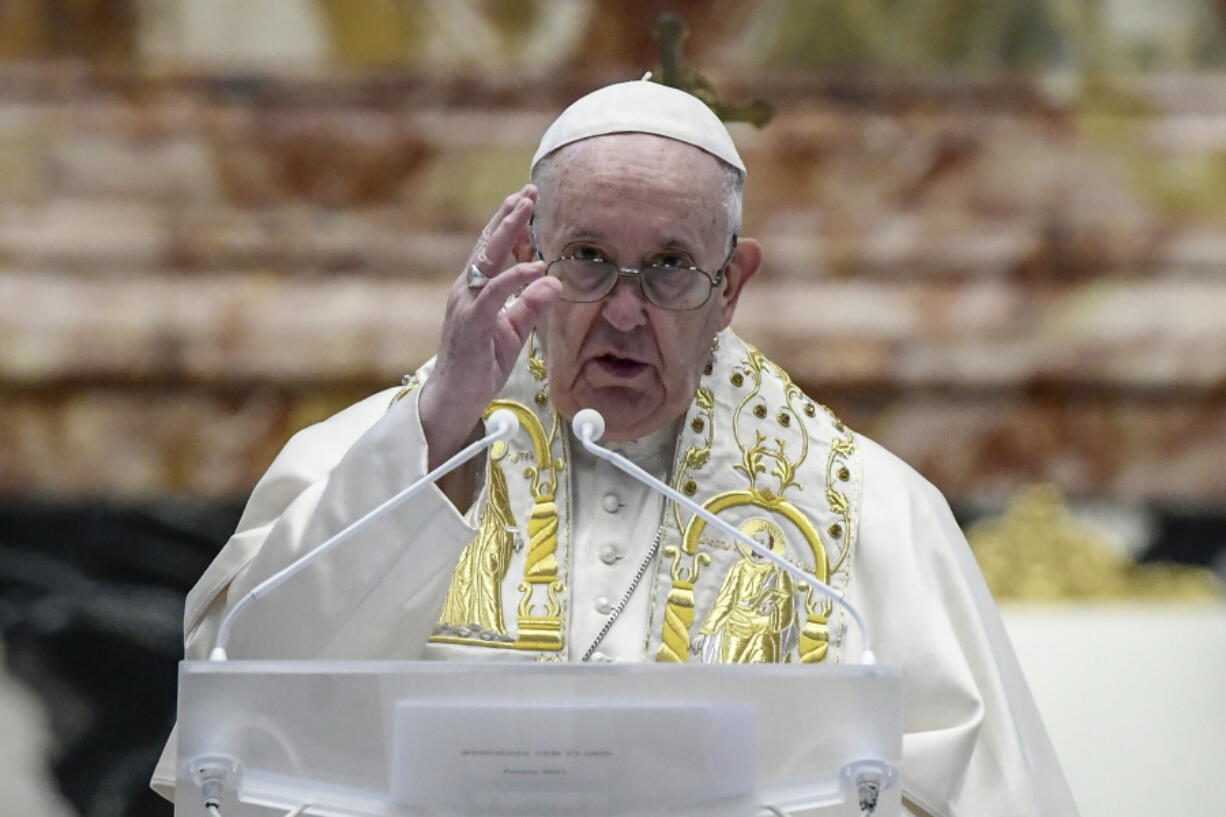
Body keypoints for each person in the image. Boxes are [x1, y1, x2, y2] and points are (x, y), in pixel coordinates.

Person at [152, 80, 1078, 816]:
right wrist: (440, 428)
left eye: (672, 266)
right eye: (587, 257)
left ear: (732, 287)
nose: (626, 313)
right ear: (526, 249)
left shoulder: (870, 511)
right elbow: (243, 725)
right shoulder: (376, 457)